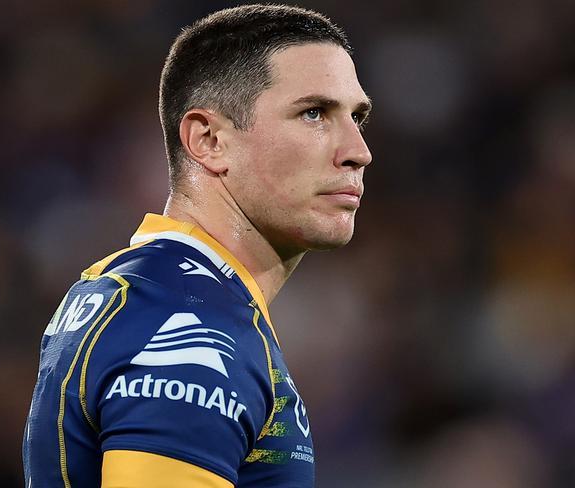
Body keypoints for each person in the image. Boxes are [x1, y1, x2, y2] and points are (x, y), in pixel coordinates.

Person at [23, 4, 372, 487]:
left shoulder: (150, 289)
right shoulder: (190, 328)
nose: (358, 151)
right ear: (208, 140)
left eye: (357, 117)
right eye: (314, 113)